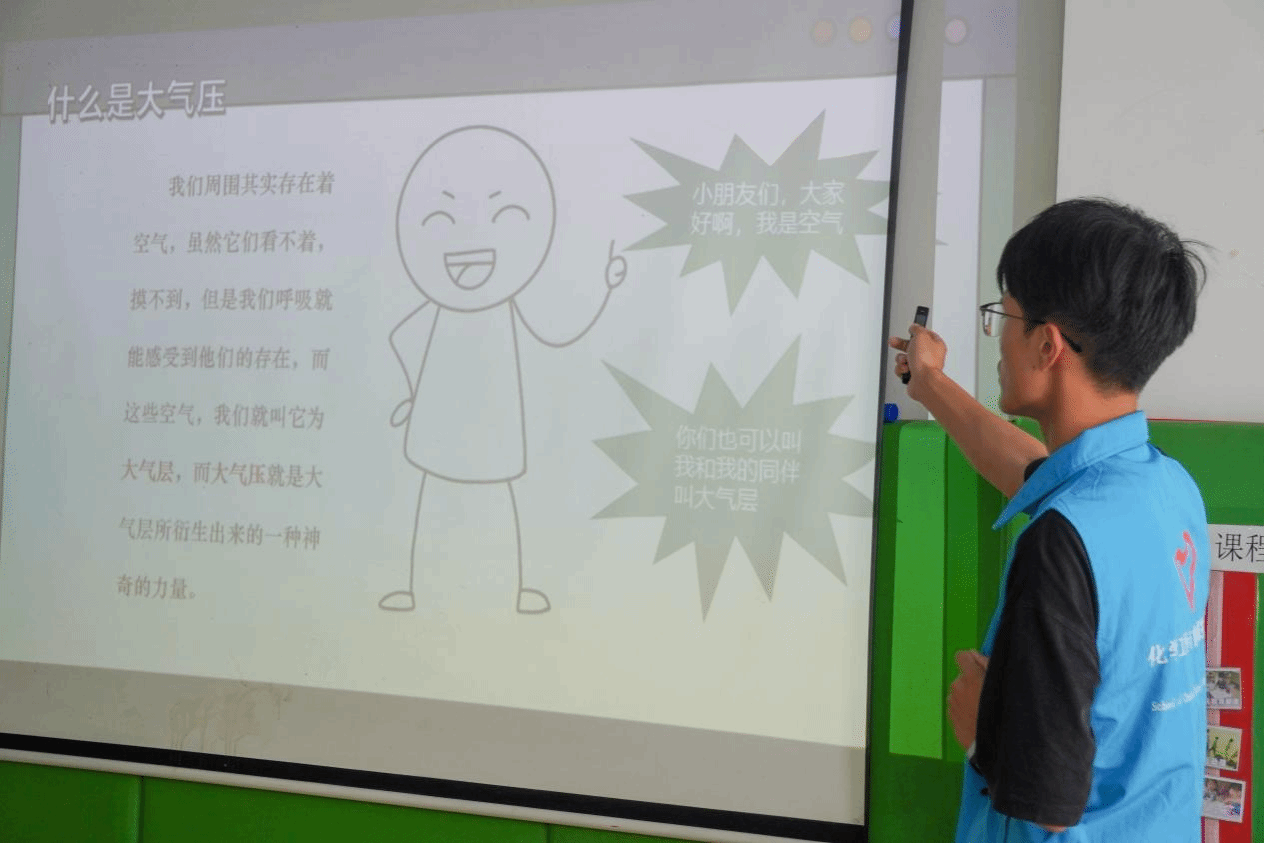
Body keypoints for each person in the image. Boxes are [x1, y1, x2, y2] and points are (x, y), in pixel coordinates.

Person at [889, 197, 1210, 841]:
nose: (998, 342)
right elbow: (1037, 470)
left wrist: (981, 732)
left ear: (1046, 344)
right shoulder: (1164, 487)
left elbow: (1049, 801)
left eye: (1002, 318)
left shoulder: (1059, 542)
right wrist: (929, 383)